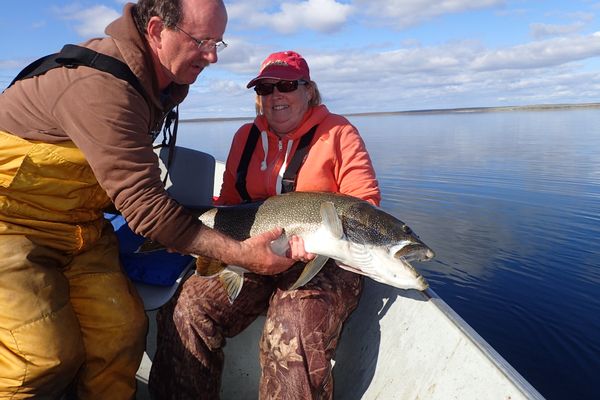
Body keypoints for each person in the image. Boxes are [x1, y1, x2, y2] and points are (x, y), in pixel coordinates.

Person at [0, 1, 295, 398]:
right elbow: (144, 208)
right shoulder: (101, 86)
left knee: (122, 332)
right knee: (41, 357)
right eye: (202, 40)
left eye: (218, 43)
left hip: (82, 227)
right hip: (11, 225)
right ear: (156, 31)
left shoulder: (161, 84)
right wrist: (245, 255)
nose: (211, 55)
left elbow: (128, 179)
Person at [149, 50, 381, 399]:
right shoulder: (245, 137)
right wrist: (194, 239)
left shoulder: (339, 133)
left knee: (293, 328)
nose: (275, 96)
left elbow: (365, 207)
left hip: (323, 260)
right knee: (187, 308)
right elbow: (227, 205)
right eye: (265, 89)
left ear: (309, 91)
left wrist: (316, 239)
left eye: (286, 85)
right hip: (250, 251)